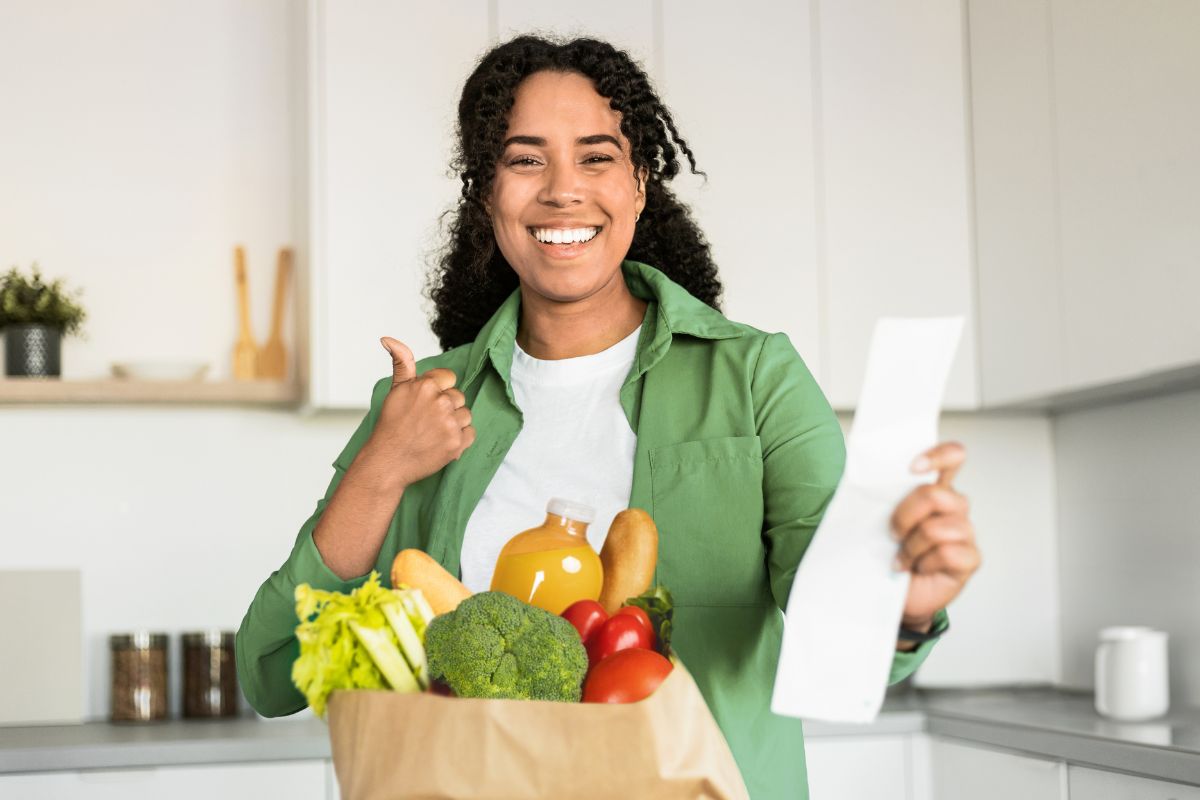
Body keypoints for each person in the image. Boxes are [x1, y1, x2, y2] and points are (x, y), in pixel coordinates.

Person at [236, 34, 981, 799]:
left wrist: (905, 607)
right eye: (526, 159)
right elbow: (270, 672)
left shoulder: (754, 377)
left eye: (596, 157)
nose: (564, 190)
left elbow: (841, 650)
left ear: (638, 185)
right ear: (486, 191)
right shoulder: (421, 401)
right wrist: (381, 469)